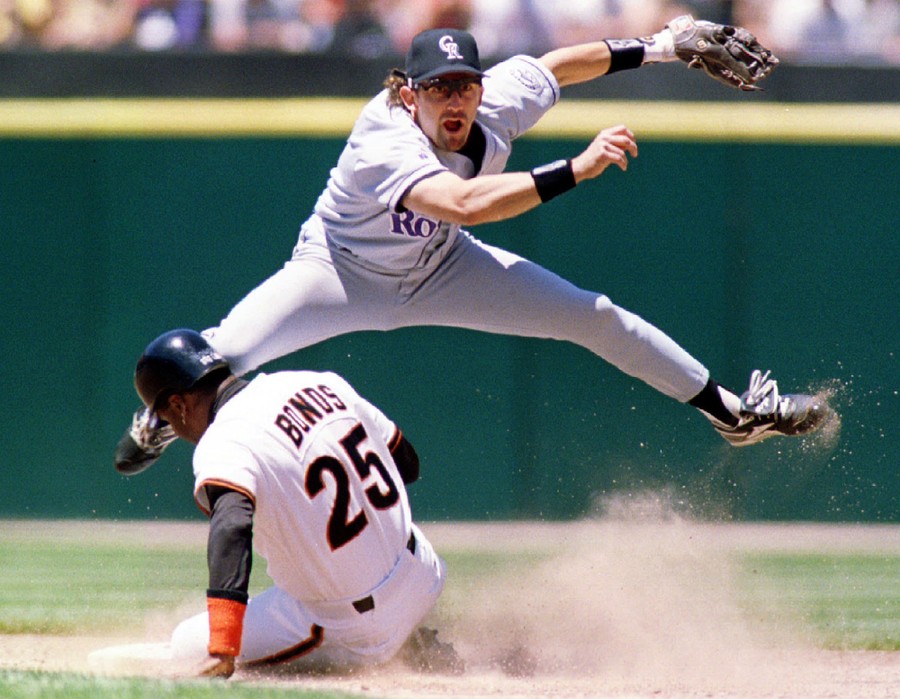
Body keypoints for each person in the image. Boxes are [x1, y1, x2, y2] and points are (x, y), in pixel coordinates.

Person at [116, 18, 833, 478]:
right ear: (407, 93)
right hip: (337, 271)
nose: (454, 101)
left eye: (464, 84)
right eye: (438, 88)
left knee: (594, 314)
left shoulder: (493, 103)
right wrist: (575, 169)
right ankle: (159, 418)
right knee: (215, 361)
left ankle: (732, 412)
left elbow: (557, 65)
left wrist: (663, 46)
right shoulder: (383, 138)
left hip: (438, 266)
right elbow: (460, 203)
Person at [125, 328, 462, 678]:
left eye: (166, 419)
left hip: (353, 625)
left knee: (186, 642)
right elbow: (407, 463)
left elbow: (232, 526)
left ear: (179, 404)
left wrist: (223, 647)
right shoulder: (319, 382)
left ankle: (389, 643)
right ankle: (409, 633)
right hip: (423, 573)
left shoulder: (224, 438)